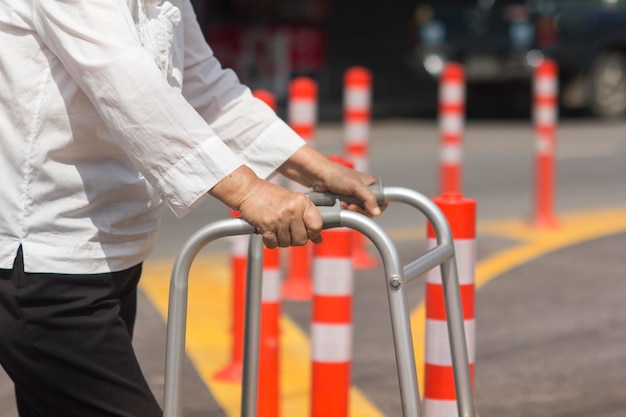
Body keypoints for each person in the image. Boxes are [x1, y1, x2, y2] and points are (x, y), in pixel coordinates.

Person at [0, 0, 382, 416]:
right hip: (41, 257)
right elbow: (127, 84)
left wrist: (321, 170)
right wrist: (249, 191)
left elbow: (206, 89)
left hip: (106, 254)